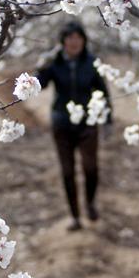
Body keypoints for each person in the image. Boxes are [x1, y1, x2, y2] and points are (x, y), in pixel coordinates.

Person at [36, 21, 111, 231]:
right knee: (67, 171)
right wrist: (41, 67)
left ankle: (90, 203)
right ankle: (75, 216)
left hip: (88, 122)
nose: (74, 42)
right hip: (62, 123)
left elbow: (103, 91)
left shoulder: (91, 62)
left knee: (90, 167)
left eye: (78, 37)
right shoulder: (55, 63)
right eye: (70, 38)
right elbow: (39, 85)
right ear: (62, 42)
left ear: (84, 40)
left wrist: (107, 119)